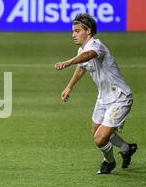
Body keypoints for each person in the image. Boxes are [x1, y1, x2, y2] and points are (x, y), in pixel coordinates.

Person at [54, 13, 138, 174]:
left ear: (89, 31)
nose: (73, 35)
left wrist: (68, 62)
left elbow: (89, 55)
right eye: (73, 31)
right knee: (96, 130)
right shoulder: (82, 49)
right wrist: (69, 86)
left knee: (100, 138)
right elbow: (83, 66)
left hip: (119, 97)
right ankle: (127, 149)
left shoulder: (96, 46)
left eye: (77, 31)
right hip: (103, 97)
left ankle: (109, 162)